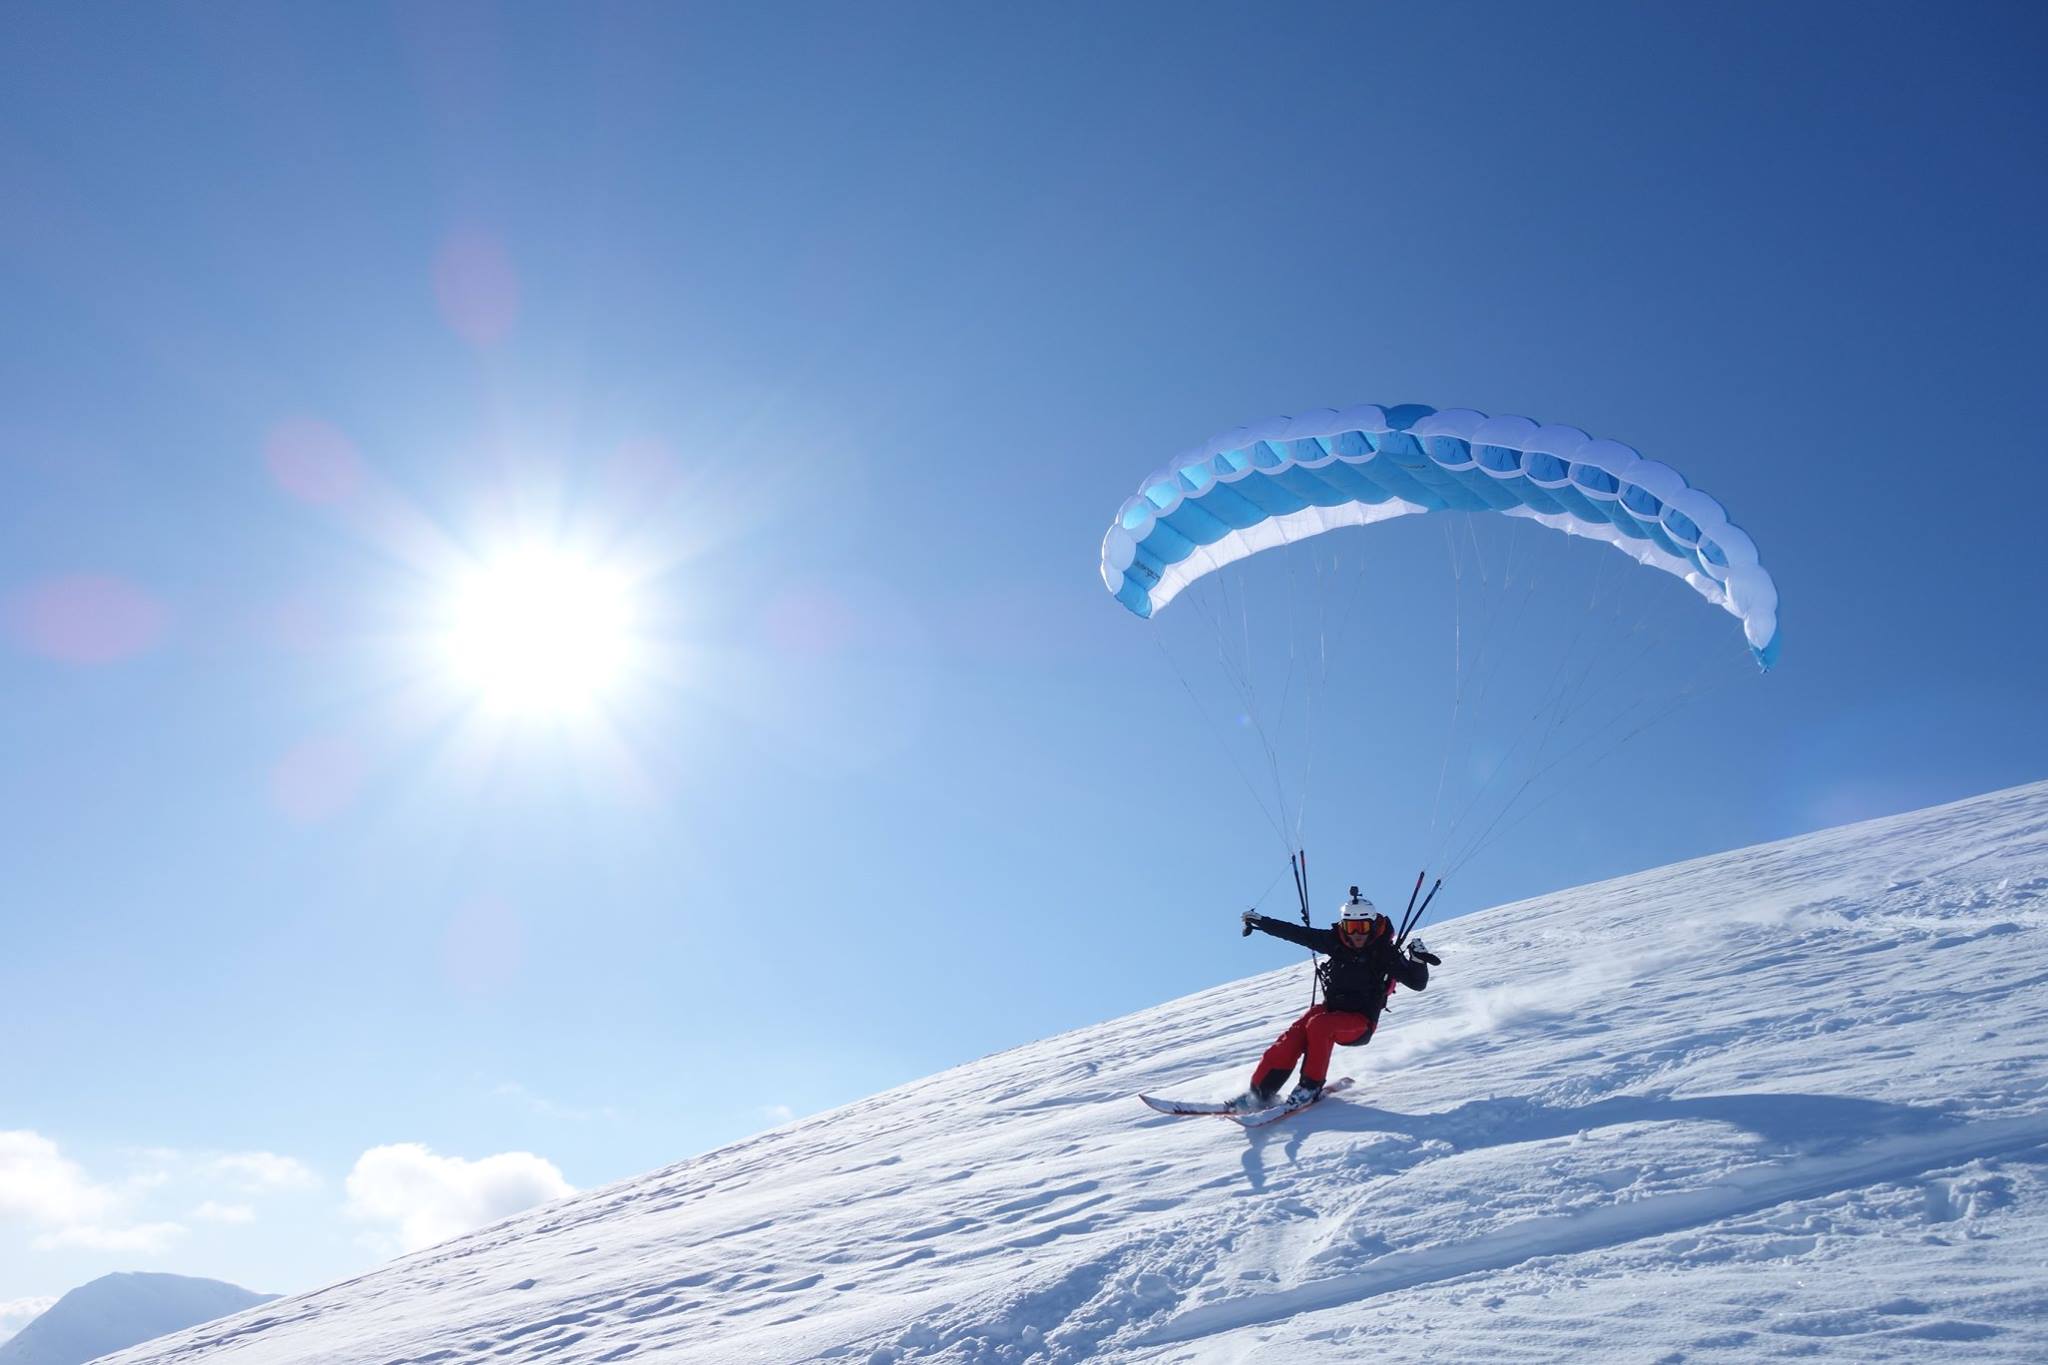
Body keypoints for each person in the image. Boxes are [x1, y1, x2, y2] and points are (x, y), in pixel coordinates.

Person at [1236, 887, 1437, 1108]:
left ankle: (1309, 1087)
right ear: (1343, 925)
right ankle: (1259, 1094)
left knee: (1320, 1025)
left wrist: (1418, 961)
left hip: (1361, 1023)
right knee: (1294, 1035)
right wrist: (1261, 922)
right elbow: (1296, 933)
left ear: (1372, 925)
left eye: (1362, 927)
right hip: (1331, 1010)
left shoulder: (1384, 953)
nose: (1356, 933)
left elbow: (1417, 983)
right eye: (1351, 927)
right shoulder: (1335, 941)